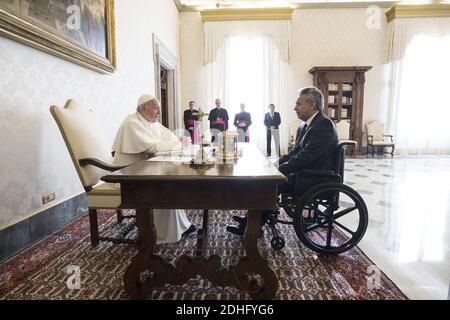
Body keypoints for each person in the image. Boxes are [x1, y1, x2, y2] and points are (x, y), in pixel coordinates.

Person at [227, 86, 338, 236]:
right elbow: (295, 153)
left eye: (299, 104)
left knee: (266, 182)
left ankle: (253, 224)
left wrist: (279, 171)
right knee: (265, 177)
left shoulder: (323, 124)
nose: (294, 108)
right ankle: (253, 219)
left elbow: (306, 157)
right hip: (304, 172)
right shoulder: (305, 125)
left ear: (312, 105)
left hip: (314, 176)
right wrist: (275, 164)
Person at [112, 94, 196, 244]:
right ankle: (160, 234)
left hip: (144, 169)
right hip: (128, 175)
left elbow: (169, 137)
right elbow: (152, 147)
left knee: (170, 182)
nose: (159, 112)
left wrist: (179, 140)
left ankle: (181, 226)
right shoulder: (131, 122)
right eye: (156, 109)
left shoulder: (151, 121)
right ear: (144, 109)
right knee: (163, 186)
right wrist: (178, 142)